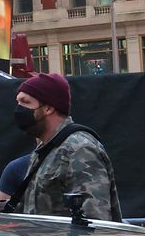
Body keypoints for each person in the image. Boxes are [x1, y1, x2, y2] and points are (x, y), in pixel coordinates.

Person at [8, 73, 121, 221]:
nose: (19, 109)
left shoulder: (79, 149)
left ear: (48, 108)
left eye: (25, 102)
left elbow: (95, 221)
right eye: (18, 102)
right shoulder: (45, 149)